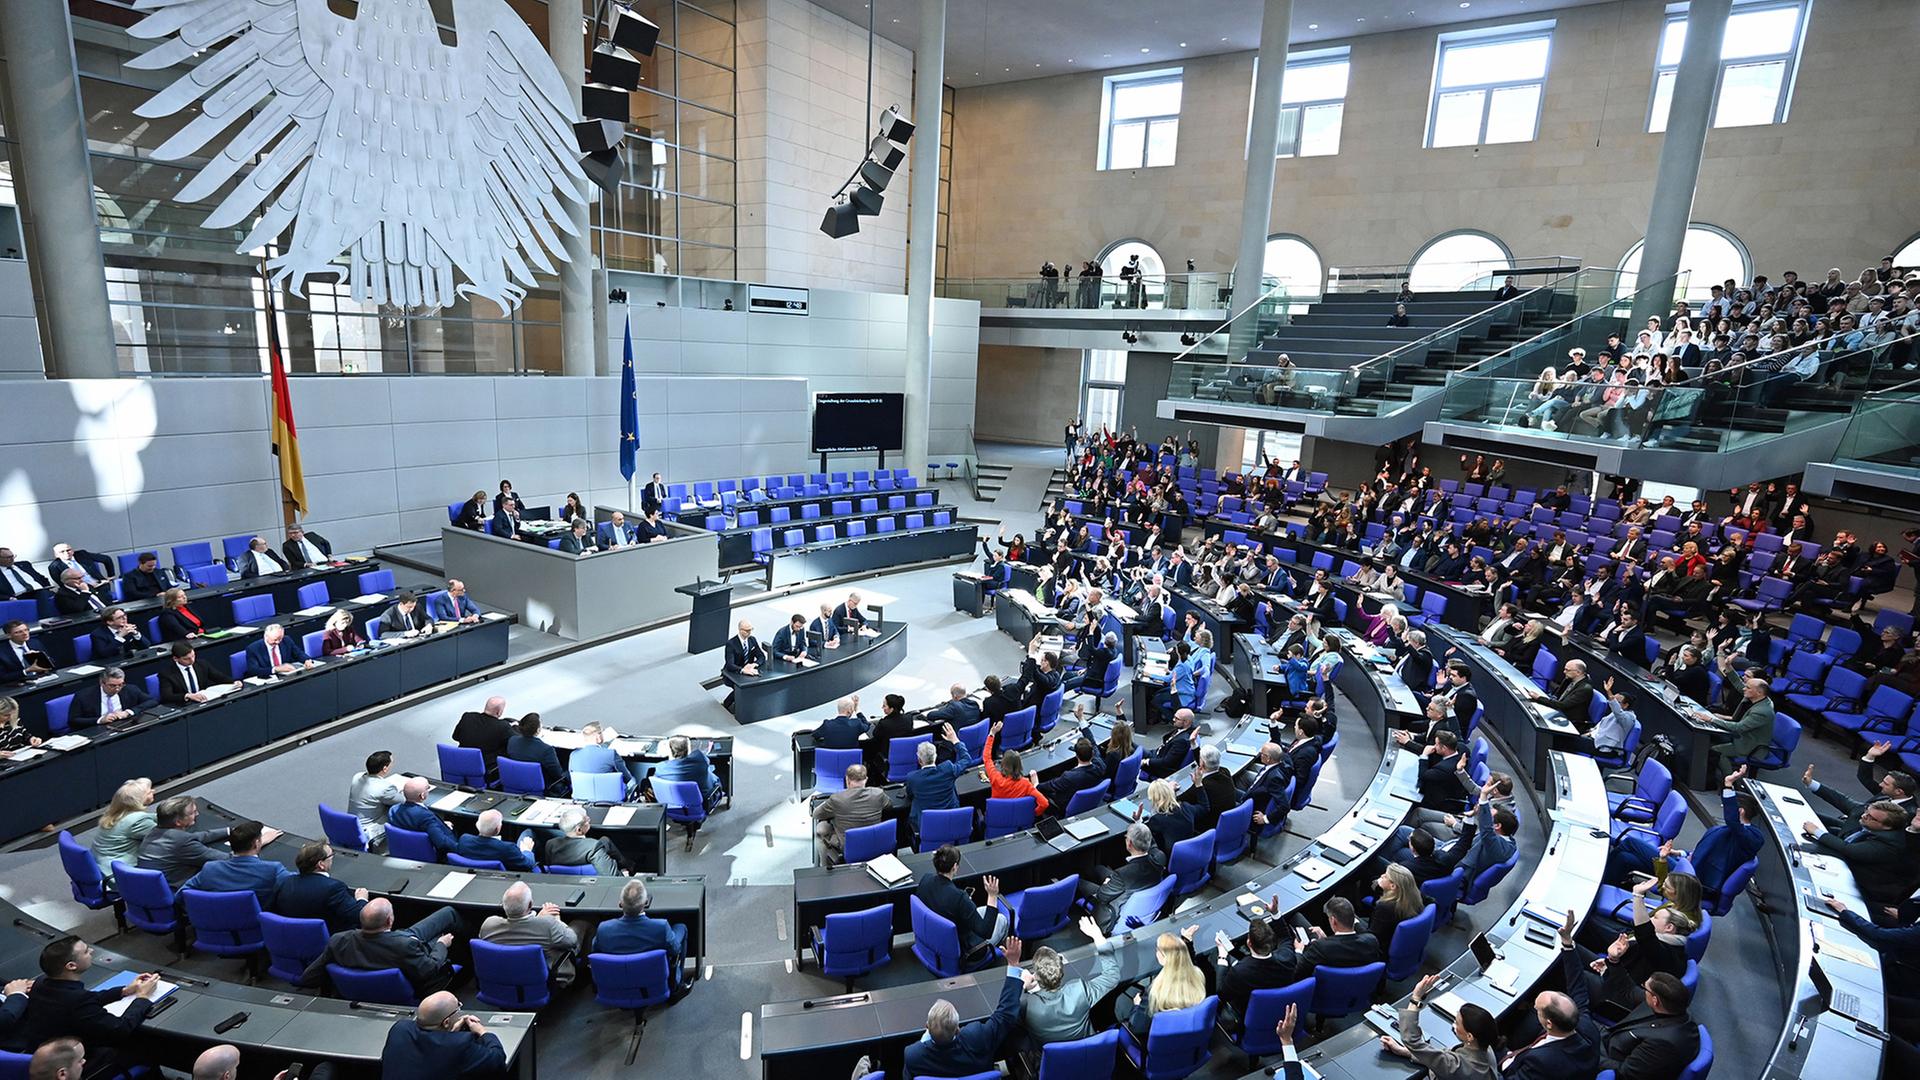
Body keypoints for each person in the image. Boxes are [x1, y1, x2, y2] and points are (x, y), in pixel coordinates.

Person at [897, 936, 1023, 1080]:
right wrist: (1013, 965)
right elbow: (1005, 1016)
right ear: (958, 1029)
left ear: (927, 1026)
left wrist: (925, 1039)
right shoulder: (977, 1037)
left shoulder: (913, 1055)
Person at [5, 937, 160, 1053]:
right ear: (71, 966)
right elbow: (119, 1029)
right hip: (78, 1057)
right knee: (144, 1047)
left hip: (47, 1047)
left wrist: (124, 991)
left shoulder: (42, 982)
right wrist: (142, 997)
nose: (91, 951)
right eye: (86, 951)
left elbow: (89, 999)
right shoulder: (77, 1001)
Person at [302, 897, 461, 998]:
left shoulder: (339, 940)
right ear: (389, 921)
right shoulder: (405, 946)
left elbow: (309, 976)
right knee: (446, 927)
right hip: (412, 979)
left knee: (447, 913)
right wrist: (441, 945)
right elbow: (430, 969)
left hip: (394, 943)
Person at [1021, 916, 1122, 1044]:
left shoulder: (1027, 1004)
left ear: (1035, 975)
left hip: (1051, 1061)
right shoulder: (1080, 991)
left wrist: (1022, 985)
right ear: (1061, 971)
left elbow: (1005, 1009)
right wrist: (1098, 937)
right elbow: (1112, 976)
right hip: (1089, 1051)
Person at [1380, 973, 1501, 1079]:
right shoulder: (1485, 1048)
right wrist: (1404, 1051)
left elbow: (1412, 1041)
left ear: (1470, 1036)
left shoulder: (1458, 1066)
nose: (1454, 1024)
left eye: (1457, 1023)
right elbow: (1438, 1058)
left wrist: (1416, 998)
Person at [1798, 799, 1912, 905]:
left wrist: (1817, 831)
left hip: (1862, 889)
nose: (1864, 816)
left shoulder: (1889, 844)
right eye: (1866, 811)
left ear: (1886, 827)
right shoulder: (1871, 824)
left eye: (1870, 817)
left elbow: (1849, 849)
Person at [378, 991, 506, 1079]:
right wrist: (482, 1031)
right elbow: (497, 1059)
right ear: (446, 1022)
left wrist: (450, 1035)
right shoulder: (460, 1045)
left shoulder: (399, 1029)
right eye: (458, 1008)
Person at [479, 882, 585, 987]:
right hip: (543, 983)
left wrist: (537, 919)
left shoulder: (488, 925)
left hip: (502, 979)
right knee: (585, 922)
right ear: (530, 904)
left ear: (503, 905)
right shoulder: (547, 925)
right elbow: (572, 941)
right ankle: (585, 974)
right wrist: (556, 921)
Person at [915, 844, 1009, 956]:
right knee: (1002, 919)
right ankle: (1000, 957)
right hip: (964, 950)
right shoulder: (959, 897)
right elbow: (986, 931)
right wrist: (992, 895)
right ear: (954, 867)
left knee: (983, 911)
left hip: (935, 940)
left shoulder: (925, 879)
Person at [1206, 917, 1298, 1030]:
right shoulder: (1287, 958)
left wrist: (1222, 956)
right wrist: (1275, 913)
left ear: (1249, 942)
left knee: (1215, 959)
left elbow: (1221, 994)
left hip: (1247, 1017)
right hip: (1281, 1012)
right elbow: (1285, 938)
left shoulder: (1239, 972)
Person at [1114, 930, 1207, 1040]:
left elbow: (1137, 1029)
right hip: (1187, 1038)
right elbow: (1187, 962)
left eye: (1158, 949)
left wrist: (1137, 1006)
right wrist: (1186, 941)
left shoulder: (1155, 991)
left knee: (1121, 1004)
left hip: (1156, 1042)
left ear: (1162, 957)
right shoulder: (1197, 975)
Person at [594, 878, 690, 984]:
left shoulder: (603, 929)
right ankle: (677, 984)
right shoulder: (661, 927)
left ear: (620, 904)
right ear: (646, 902)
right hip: (653, 986)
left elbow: (595, 950)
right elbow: (675, 949)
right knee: (681, 927)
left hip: (615, 985)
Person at [1081, 822, 1166, 933]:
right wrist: (1138, 822)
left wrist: (1107, 883)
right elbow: (1153, 845)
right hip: (1129, 887)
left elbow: (1102, 896)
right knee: (1098, 869)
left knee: (1079, 883)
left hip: (1111, 909)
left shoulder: (1122, 874)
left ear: (1129, 844)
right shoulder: (1159, 857)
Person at [182, 820, 291, 905]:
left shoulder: (210, 868)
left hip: (214, 925)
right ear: (257, 843)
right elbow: (298, 885)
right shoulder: (272, 870)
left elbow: (182, 894)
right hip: (256, 926)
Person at [136, 795, 236, 886]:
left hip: (149, 887)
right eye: (193, 813)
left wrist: (228, 831)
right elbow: (225, 859)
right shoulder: (183, 842)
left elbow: (196, 836)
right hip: (176, 890)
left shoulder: (155, 831)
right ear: (178, 822)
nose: (197, 815)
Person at [1500, 990, 1603, 1078]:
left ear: (1549, 1024)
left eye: (1537, 1010)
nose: (1535, 1010)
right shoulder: (1589, 1027)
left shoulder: (1540, 1062)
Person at [273, 841, 370, 933]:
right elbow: (359, 916)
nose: (332, 858)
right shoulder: (333, 888)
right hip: (332, 942)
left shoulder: (286, 882)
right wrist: (361, 899)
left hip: (293, 938)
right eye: (331, 856)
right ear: (321, 864)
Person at [1690, 676, 1776, 777]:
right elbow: (1739, 685)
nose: (1744, 689)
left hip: (1751, 746)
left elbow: (1738, 727)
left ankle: (1731, 779)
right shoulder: (1761, 700)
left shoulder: (1761, 712)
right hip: (1744, 737)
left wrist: (1711, 719)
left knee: (1716, 751)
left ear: (1759, 693)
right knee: (1713, 738)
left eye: (1748, 688)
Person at [812, 763, 891, 865]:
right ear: (866, 779)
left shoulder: (837, 799)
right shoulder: (878, 793)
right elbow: (889, 805)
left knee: (820, 828)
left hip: (848, 847)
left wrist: (826, 802)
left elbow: (816, 814)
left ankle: (824, 868)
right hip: (875, 844)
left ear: (847, 779)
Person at [901, 725, 972, 837]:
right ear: (936, 756)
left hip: (926, 824)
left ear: (919, 760)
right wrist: (955, 740)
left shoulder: (913, 778)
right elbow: (967, 759)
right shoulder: (948, 769)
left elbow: (910, 794)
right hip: (951, 819)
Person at [89, 778, 155, 884]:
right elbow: (165, 835)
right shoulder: (138, 820)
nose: (153, 791)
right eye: (149, 792)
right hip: (118, 877)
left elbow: (152, 818)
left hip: (101, 869)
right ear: (137, 800)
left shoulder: (113, 814)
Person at [980, 724, 1048, 818]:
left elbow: (986, 758)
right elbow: (1044, 803)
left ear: (1003, 763)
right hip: (1018, 819)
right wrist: (1033, 814)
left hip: (997, 818)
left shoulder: (995, 777)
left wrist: (992, 734)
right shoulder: (1026, 784)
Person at [543, 806, 635, 875]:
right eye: (586, 819)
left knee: (605, 841)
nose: (589, 820)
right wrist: (624, 875)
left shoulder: (550, 844)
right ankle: (631, 867)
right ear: (579, 830)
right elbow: (613, 877)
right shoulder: (593, 847)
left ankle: (629, 864)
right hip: (591, 879)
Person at [388, 776, 460, 855]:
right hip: (432, 854)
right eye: (428, 788)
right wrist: (460, 849)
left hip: (405, 849)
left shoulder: (393, 809)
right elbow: (442, 843)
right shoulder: (426, 817)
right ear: (422, 796)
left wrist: (441, 824)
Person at [651, 735, 723, 811]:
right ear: (688, 749)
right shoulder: (700, 760)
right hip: (702, 804)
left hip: (670, 807)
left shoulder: (660, 768)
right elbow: (706, 761)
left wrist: (670, 756)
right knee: (712, 775)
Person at [1178, 743, 1238, 832]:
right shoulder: (1225, 771)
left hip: (1207, 826)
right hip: (1226, 822)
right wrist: (1194, 745)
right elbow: (1207, 764)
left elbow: (1179, 799)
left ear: (1201, 764)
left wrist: (1170, 788)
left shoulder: (1203, 785)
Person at [570, 721, 640, 797]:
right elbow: (627, 779)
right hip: (611, 799)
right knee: (633, 782)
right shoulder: (611, 754)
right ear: (598, 737)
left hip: (581, 798)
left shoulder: (573, 755)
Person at [348, 751, 403, 847]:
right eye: (391, 763)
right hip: (369, 830)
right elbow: (402, 801)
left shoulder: (357, 777)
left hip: (352, 826)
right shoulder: (385, 788)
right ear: (385, 768)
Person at [454, 809, 536, 871]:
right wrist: (527, 850)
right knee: (528, 832)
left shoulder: (464, 840)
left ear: (477, 824)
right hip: (510, 876)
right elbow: (528, 865)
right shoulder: (508, 848)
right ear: (498, 829)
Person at [156, 641, 233, 705]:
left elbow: (219, 677)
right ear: (175, 659)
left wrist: (234, 682)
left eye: (193, 656)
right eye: (186, 659)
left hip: (204, 701)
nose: (192, 660)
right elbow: (167, 696)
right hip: (184, 706)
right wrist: (188, 696)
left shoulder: (202, 664)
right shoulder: (166, 674)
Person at [1038, 736, 1103, 811]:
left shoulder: (1069, 776)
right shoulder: (1100, 765)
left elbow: (1050, 785)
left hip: (1067, 805)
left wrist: (1037, 784)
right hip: (1090, 802)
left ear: (1076, 755)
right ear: (1092, 754)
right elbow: (1094, 746)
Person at [66, 668, 147, 728]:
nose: (117, 689)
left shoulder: (129, 689)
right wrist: (99, 720)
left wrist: (128, 712)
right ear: (102, 683)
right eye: (112, 685)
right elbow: (73, 721)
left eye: (121, 684)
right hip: (98, 729)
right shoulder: (83, 696)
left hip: (123, 725)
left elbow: (151, 701)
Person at [505, 714, 565, 793]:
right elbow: (558, 775)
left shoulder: (512, 741)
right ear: (538, 730)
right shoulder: (546, 749)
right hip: (543, 787)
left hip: (516, 782)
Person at [452, 696, 512, 769]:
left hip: (461, 762)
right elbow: (513, 745)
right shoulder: (503, 726)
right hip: (485, 768)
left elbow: (455, 737)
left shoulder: (467, 716)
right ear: (499, 712)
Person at [1142, 708, 1197, 780]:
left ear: (1186, 722)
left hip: (1161, 766)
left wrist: (1146, 761)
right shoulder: (1184, 728)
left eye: (1177, 718)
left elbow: (1167, 762)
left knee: (1130, 751)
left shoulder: (1182, 741)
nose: (1173, 719)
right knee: (1130, 746)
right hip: (1158, 753)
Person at [244, 623, 311, 678]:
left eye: (280, 639)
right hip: (269, 679)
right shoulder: (253, 648)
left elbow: (298, 653)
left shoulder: (286, 640)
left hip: (287, 677)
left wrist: (306, 660)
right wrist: (276, 669)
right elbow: (253, 670)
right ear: (266, 636)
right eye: (275, 640)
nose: (278, 642)